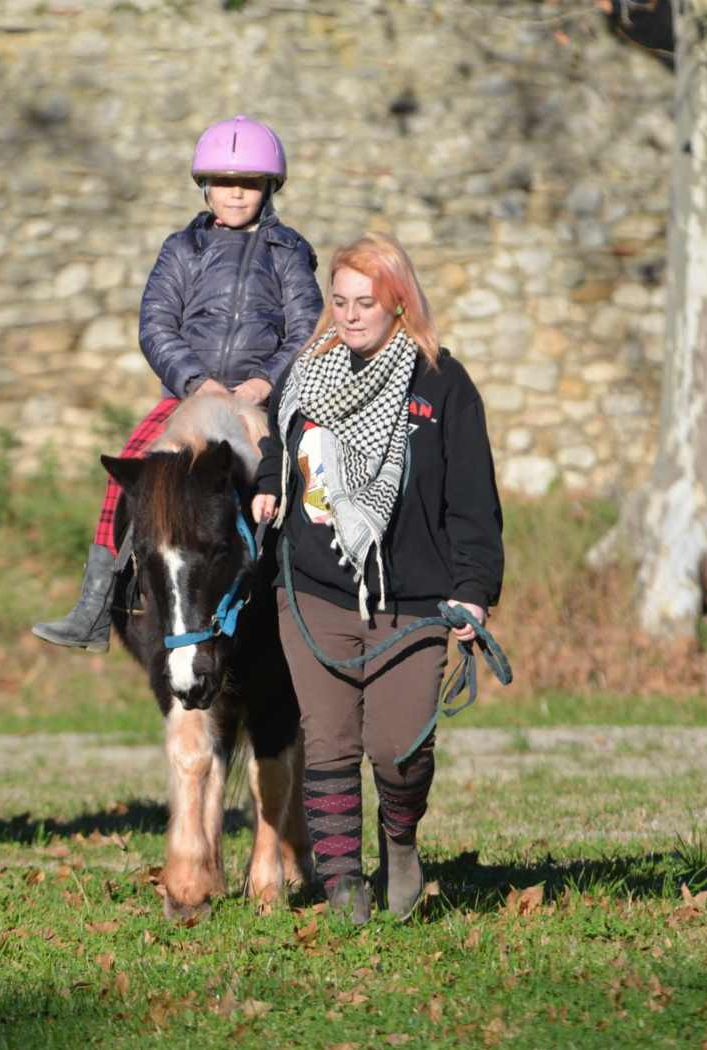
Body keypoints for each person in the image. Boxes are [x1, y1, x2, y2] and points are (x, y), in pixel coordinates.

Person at [251, 233, 504, 923]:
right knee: (327, 740)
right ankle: (340, 883)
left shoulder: (441, 383)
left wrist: (472, 590)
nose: (350, 316)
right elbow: (277, 438)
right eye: (339, 302)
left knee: (397, 748)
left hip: (412, 598)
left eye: (366, 302)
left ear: (398, 304)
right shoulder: (304, 376)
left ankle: (399, 841)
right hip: (311, 589)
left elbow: (472, 500)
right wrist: (263, 483)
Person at [32, 115, 322, 651]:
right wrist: (195, 381)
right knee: (131, 476)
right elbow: (156, 324)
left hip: (266, 399)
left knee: (309, 477)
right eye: (225, 181)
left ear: (269, 188)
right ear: (205, 186)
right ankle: (98, 606)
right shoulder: (180, 249)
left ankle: (313, 605)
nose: (236, 193)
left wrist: (263, 384)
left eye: (249, 183)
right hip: (188, 397)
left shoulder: (290, 252)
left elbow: (306, 328)